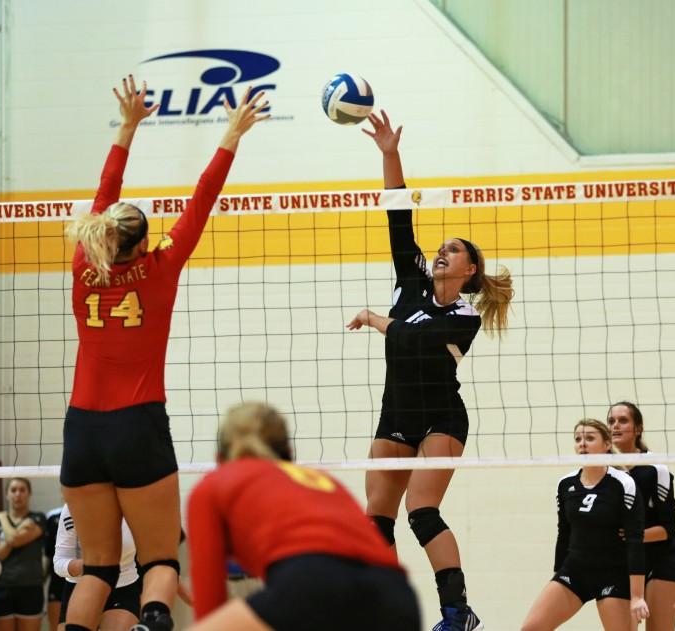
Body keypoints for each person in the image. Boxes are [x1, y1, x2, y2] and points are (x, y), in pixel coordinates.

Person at [59, 74, 268, 631]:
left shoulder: (84, 265)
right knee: (159, 561)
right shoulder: (160, 267)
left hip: (81, 429)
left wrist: (128, 126)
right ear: (146, 242)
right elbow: (203, 198)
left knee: (98, 570)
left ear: (103, 236)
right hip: (138, 424)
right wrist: (231, 133)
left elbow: (105, 191)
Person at [346, 111, 514, 631]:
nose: (443, 252)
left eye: (454, 251)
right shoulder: (411, 281)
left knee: (422, 512)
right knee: (375, 518)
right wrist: (389, 154)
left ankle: (457, 614)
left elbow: (412, 338)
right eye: (441, 249)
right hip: (396, 411)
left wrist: (377, 317)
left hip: (442, 418)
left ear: (469, 271)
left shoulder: (464, 316)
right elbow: (399, 215)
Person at [185, 401, 420, 630]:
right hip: (396, 596)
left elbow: (209, 609)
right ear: (289, 453)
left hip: (310, 583)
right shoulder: (322, 480)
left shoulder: (212, 486)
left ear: (219, 458)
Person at [521, 419, 649, 631]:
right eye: (578, 439)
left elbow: (635, 540)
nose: (582, 444)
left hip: (613, 574)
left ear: (607, 445)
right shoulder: (566, 484)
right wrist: (557, 576)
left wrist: (637, 596)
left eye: (590, 438)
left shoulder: (623, 483)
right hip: (576, 570)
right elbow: (564, 533)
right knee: (531, 628)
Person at [606, 401, 675, 631]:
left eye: (623, 420)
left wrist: (634, 536)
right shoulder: (605, 469)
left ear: (638, 428)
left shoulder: (655, 468)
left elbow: (669, 529)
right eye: (611, 421)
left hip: (662, 560)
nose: (616, 426)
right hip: (625, 562)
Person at [53, 504, 140, 631]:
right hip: (80, 587)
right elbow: (59, 562)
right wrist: (92, 567)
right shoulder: (74, 506)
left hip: (123, 587)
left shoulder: (134, 502)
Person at [0, 478, 46, 631]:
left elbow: (13, 540)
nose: (18, 494)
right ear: (7, 494)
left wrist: (3, 519)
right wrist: (14, 539)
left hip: (30, 587)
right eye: (13, 490)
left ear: (29, 493)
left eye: (22, 490)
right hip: (1, 588)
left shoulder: (38, 518)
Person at [45, 506, 65, 630]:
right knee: (56, 626)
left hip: (85, 579)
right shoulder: (53, 516)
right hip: (58, 580)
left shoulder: (93, 511)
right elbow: (47, 554)